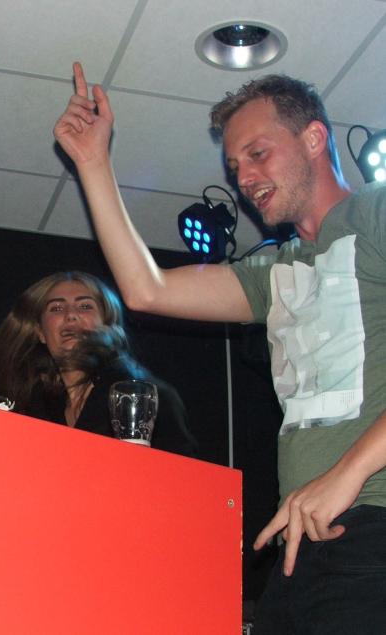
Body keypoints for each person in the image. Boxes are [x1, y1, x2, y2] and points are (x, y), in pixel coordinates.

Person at [54, 63, 386, 632]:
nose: (245, 178)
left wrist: (346, 474)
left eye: (258, 154)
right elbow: (146, 290)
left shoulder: (375, 213)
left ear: (313, 139)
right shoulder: (273, 271)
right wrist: (93, 163)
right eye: (234, 168)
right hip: (298, 547)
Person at [0, 184, 197, 457]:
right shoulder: (34, 407)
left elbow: (185, 484)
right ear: (41, 333)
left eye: (85, 306)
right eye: (56, 308)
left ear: (108, 324)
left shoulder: (145, 399)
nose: (71, 314)